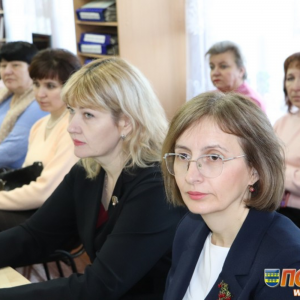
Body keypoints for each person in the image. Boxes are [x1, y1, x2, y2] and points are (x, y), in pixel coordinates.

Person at [0, 57, 185, 299]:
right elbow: (35, 237)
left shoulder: (156, 186)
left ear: (125, 123)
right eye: (71, 111)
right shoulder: (88, 171)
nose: (71, 126)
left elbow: (100, 286)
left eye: (88, 115)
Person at [162, 92, 300, 300]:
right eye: (183, 156)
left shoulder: (287, 257)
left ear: (255, 170)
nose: (191, 176)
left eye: (214, 157)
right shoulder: (188, 228)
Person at [0, 49, 81, 231]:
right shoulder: (40, 124)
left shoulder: (73, 129)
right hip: (35, 210)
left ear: (71, 87)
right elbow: (28, 178)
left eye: (50, 86)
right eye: (36, 84)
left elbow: (44, 193)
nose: (40, 93)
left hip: (58, 220)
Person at [0, 41, 48, 169]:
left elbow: (11, 151)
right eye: (3, 65)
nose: (7, 71)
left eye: (15, 65)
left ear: (32, 69)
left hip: (14, 177)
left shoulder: (39, 103)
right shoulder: (5, 95)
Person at [274, 52, 300, 228]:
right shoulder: (280, 123)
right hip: (275, 210)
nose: (295, 87)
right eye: (290, 78)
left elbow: (269, 169)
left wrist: (278, 172)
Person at [206, 41, 266, 111]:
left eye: (223, 66)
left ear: (241, 71)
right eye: (212, 67)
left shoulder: (250, 103)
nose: (215, 73)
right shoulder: (210, 99)